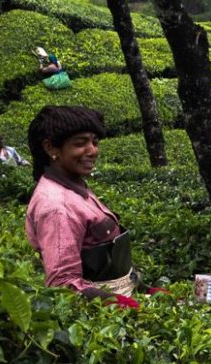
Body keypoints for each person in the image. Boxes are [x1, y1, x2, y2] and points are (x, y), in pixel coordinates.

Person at [24, 105, 162, 309]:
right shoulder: (56, 206)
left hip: (122, 295)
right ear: (51, 148)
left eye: (95, 142)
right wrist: (124, 305)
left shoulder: (73, 185)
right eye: (80, 144)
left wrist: (144, 289)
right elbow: (63, 285)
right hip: (106, 315)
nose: (92, 150)